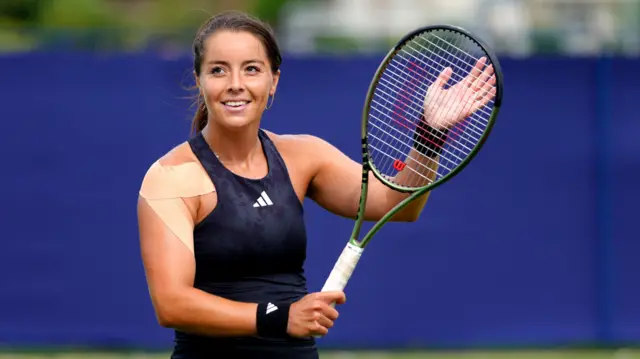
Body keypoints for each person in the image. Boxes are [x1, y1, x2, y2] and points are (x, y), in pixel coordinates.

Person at [137, 10, 495, 359]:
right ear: (200, 79)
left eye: (251, 69)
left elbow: (396, 204)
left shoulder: (303, 156)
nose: (235, 84)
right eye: (218, 70)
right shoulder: (171, 177)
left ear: (273, 80)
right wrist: (280, 317)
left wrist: (430, 134)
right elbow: (171, 304)